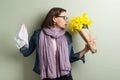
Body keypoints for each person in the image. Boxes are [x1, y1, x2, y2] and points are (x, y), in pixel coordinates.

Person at [20, 7, 90, 80]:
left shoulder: (67, 36)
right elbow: (26, 53)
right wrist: (23, 35)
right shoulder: (38, 34)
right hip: (47, 77)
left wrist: (86, 49)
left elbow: (70, 58)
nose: (66, 21)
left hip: (66, 77)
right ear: (54, 19)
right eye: (64, 18)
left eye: (67, 18)